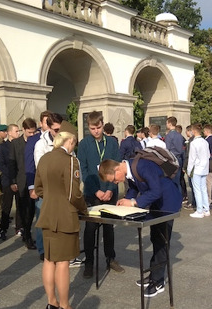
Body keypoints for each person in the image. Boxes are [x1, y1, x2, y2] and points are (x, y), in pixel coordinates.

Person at [98, 157, 181, 298]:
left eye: (113, 179)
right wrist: (126, 201)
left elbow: (156, 191)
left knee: (162, 242)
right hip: (156, 203)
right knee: (155, 238)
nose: (115, 182)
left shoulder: (142, 166)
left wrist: (133, 203)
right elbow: (135, 187)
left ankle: (158, 281)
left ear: (117, 169)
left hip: (168, 202)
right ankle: (154, 274)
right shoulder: (130, 170)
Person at [35, 125, 88, 309]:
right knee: (63, 262)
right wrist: (84, 209)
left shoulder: (44, 158)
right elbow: (74, 193)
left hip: (47, 214)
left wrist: (51, 199)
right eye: (74, 142)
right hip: (65, 217)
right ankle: (65, 305)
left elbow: (38, 188)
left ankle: (51, 302)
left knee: (49, 260)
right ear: (70, 140)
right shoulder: (71, 161)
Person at [77, 111, 124, 279]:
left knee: (109, 227)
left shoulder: (111, 143)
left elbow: (117, 166)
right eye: (92, 128)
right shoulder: (84, 144)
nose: (96, 131)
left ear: (103, 125)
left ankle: (110, 258)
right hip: (92, 192)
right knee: (90, 228)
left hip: (110, 190)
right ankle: (89, 262)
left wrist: (110, 188)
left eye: (98, 127)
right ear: (88, 127)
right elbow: (83, 170)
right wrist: (96, 190)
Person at [31, 112, 63, 261]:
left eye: (60, 130)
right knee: (43, 220)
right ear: (49, 128)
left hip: (62, 190)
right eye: (56, 130)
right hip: (47, 189)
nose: (58, 133)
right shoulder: (41, 144)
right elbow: (41, 168)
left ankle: (57, 246)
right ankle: (43, 249)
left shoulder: (65, 140)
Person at [8, 118, 38, 250]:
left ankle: (28, 234)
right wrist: (13, 181)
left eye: (34, 132)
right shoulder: (16, 143)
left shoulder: (37, 142)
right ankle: (26, 234)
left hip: (34, 180)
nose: (32, 135)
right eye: (30, 132)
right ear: (24, 130)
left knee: (31, 210)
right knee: (22, 209)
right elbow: (12, 163)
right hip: (21, 180)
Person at [0, 124, 21, 240]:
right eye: (16, 131)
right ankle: (3, 228)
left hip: (19, 179)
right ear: (10, 132)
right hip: (8, 180)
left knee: (20, 205)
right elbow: (1, 164)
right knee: (7, 206)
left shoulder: (21, 145)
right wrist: (12, 179)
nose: (18, 133)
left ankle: (20, 227)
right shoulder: (3, 147)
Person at [187, 124, 211, 218]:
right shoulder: (205, 142)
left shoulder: (194, 143)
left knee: (197, 190)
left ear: (194, 131)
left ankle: (199, 210)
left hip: (197, 169)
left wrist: (189, 170)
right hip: (204, 168)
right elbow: (208, 155)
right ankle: (206, 209)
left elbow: (192, 158)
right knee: (203, 189)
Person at [165, 117, 184, 191]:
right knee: (178, 181)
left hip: (171, 159)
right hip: (179, 158)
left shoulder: (169, 135)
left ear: (169, 124)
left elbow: (167, 149)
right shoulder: (179, 135)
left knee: (172, 181)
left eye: (167, 123)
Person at [203, 124, 212, 205]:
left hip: (209, 162)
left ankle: (210, 199)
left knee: (208, 181)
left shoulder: (207, 141)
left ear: (207, 131)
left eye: (204, 131)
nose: (204, 132)